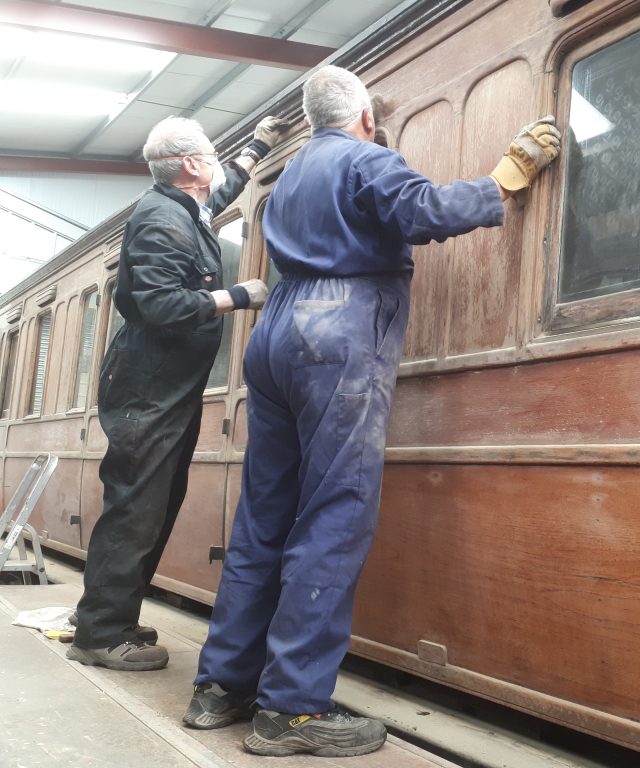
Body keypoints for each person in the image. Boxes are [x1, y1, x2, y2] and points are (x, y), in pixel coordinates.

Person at [183, 65, 560, 758]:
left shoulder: (293, 173)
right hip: (338, 330)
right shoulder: (365, 158)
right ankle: (291, 710)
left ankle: (221, 687)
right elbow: (427, 213)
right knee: (335, 513)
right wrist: (507, 176)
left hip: (275, 333)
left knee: (264, 516)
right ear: (361, 114)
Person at [67, 114, 287, 672]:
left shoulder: (185, 209)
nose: (216, 165)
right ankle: (99, 633)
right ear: (191, 165)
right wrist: (236, 295)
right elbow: (162, 305)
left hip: (164, 384)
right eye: (210, 156)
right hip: (149, 386)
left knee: (154, 503)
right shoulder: (162, 219)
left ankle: (110, 612)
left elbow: (225, 187)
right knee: (137, 507)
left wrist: (257, 145)